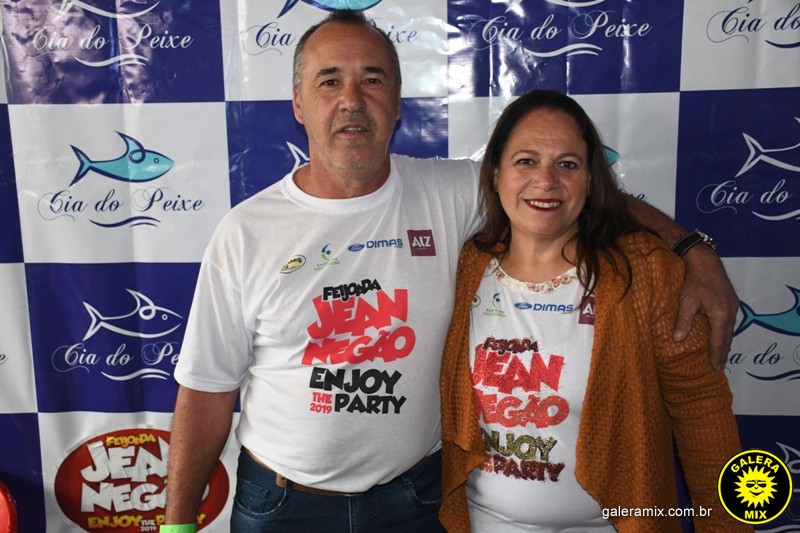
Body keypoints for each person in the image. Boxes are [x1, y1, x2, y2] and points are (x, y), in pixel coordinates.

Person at [163, 10, 738, 532]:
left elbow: (561, 191)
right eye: (329, 80)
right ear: (297, 103)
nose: (352, 100)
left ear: (398, 101)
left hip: (416, 502)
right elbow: (206, 392)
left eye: (373, 79)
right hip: (283, 505)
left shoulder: (450, 191)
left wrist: (692, 248)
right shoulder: (246, 231)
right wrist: (179, 525)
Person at [438, 90, 748, 532]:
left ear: (590, 179)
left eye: (567, 164)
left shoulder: (645, 271)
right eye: (526, 161)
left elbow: (702, 411)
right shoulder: (465, 264)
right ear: (494, 174)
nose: (546, 180)